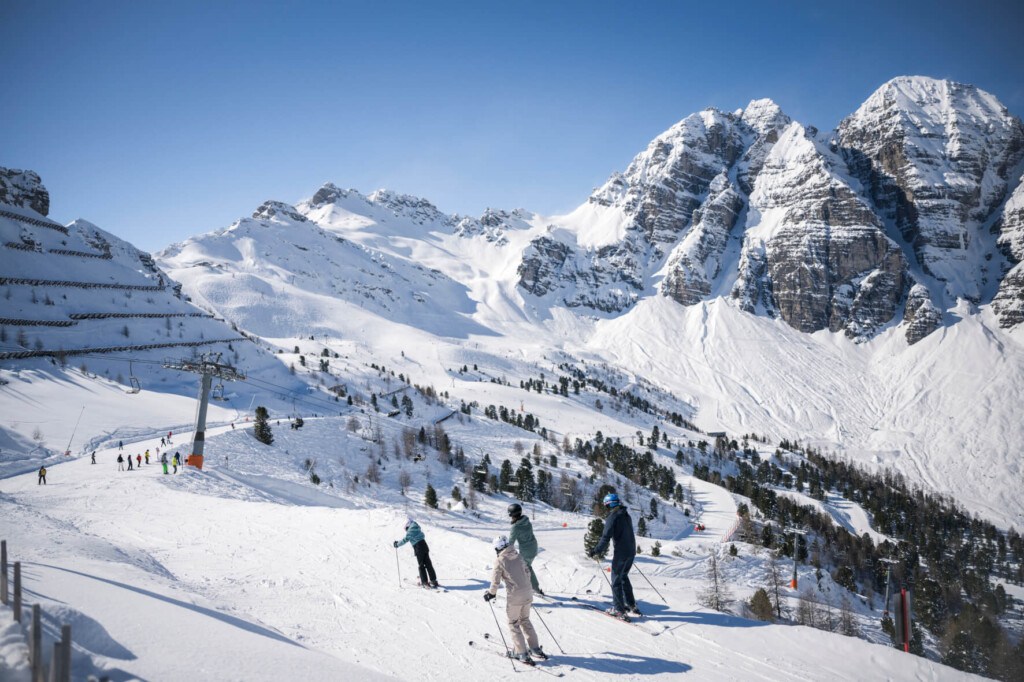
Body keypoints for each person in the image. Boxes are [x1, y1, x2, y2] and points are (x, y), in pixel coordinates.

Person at [484, 535, 547, 664]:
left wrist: (491, 593)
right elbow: (527, 572)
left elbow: (495, 581)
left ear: (498, 548)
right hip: (528, 592)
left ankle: (521, 653)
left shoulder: (500, 560)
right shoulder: (518, 555)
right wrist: (525, 587)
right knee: (525, 619)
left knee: (513, 623)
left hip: (515, 596)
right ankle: (535, 649)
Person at [587, 492, 640, 617]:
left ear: (608, 505)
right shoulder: (626, 515)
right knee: (624, 577)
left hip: (622, 553)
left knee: (616, 580)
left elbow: (606, 537)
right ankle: (631, 604)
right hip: (630, 551)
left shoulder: (613, 517)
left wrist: (596, 551)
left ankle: (619, 610)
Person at [507, 503, 543, 595]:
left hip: (526, 551)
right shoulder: (527, 522)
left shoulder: (515, 527)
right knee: (527, 567)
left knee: (522, 569)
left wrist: (504, 553)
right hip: (534, 547)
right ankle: (535, 587)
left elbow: (511, 543)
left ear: (512, 515)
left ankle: (530, 589)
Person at [393, 518, 438, 588]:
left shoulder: (410, 532)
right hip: (425, 546)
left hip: (419, 548)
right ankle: (433, 581)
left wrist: (397, 544)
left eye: (406, 529)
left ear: (408, 526)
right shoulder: (417, 528)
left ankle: (425, 582)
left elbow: (404, 540)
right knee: (428, 564)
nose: (407, 530)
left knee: (421, 565)